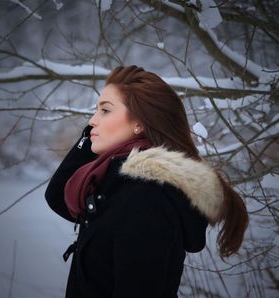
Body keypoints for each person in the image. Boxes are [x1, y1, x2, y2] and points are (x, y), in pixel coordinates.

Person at [45, 65, 248, 298]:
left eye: (105, 110)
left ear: (139, 124)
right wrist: (89, 136)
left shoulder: (146, 199)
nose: (92, 120)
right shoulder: (115, 182)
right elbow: (58, 196)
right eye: (96, 110)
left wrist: (96, 133)